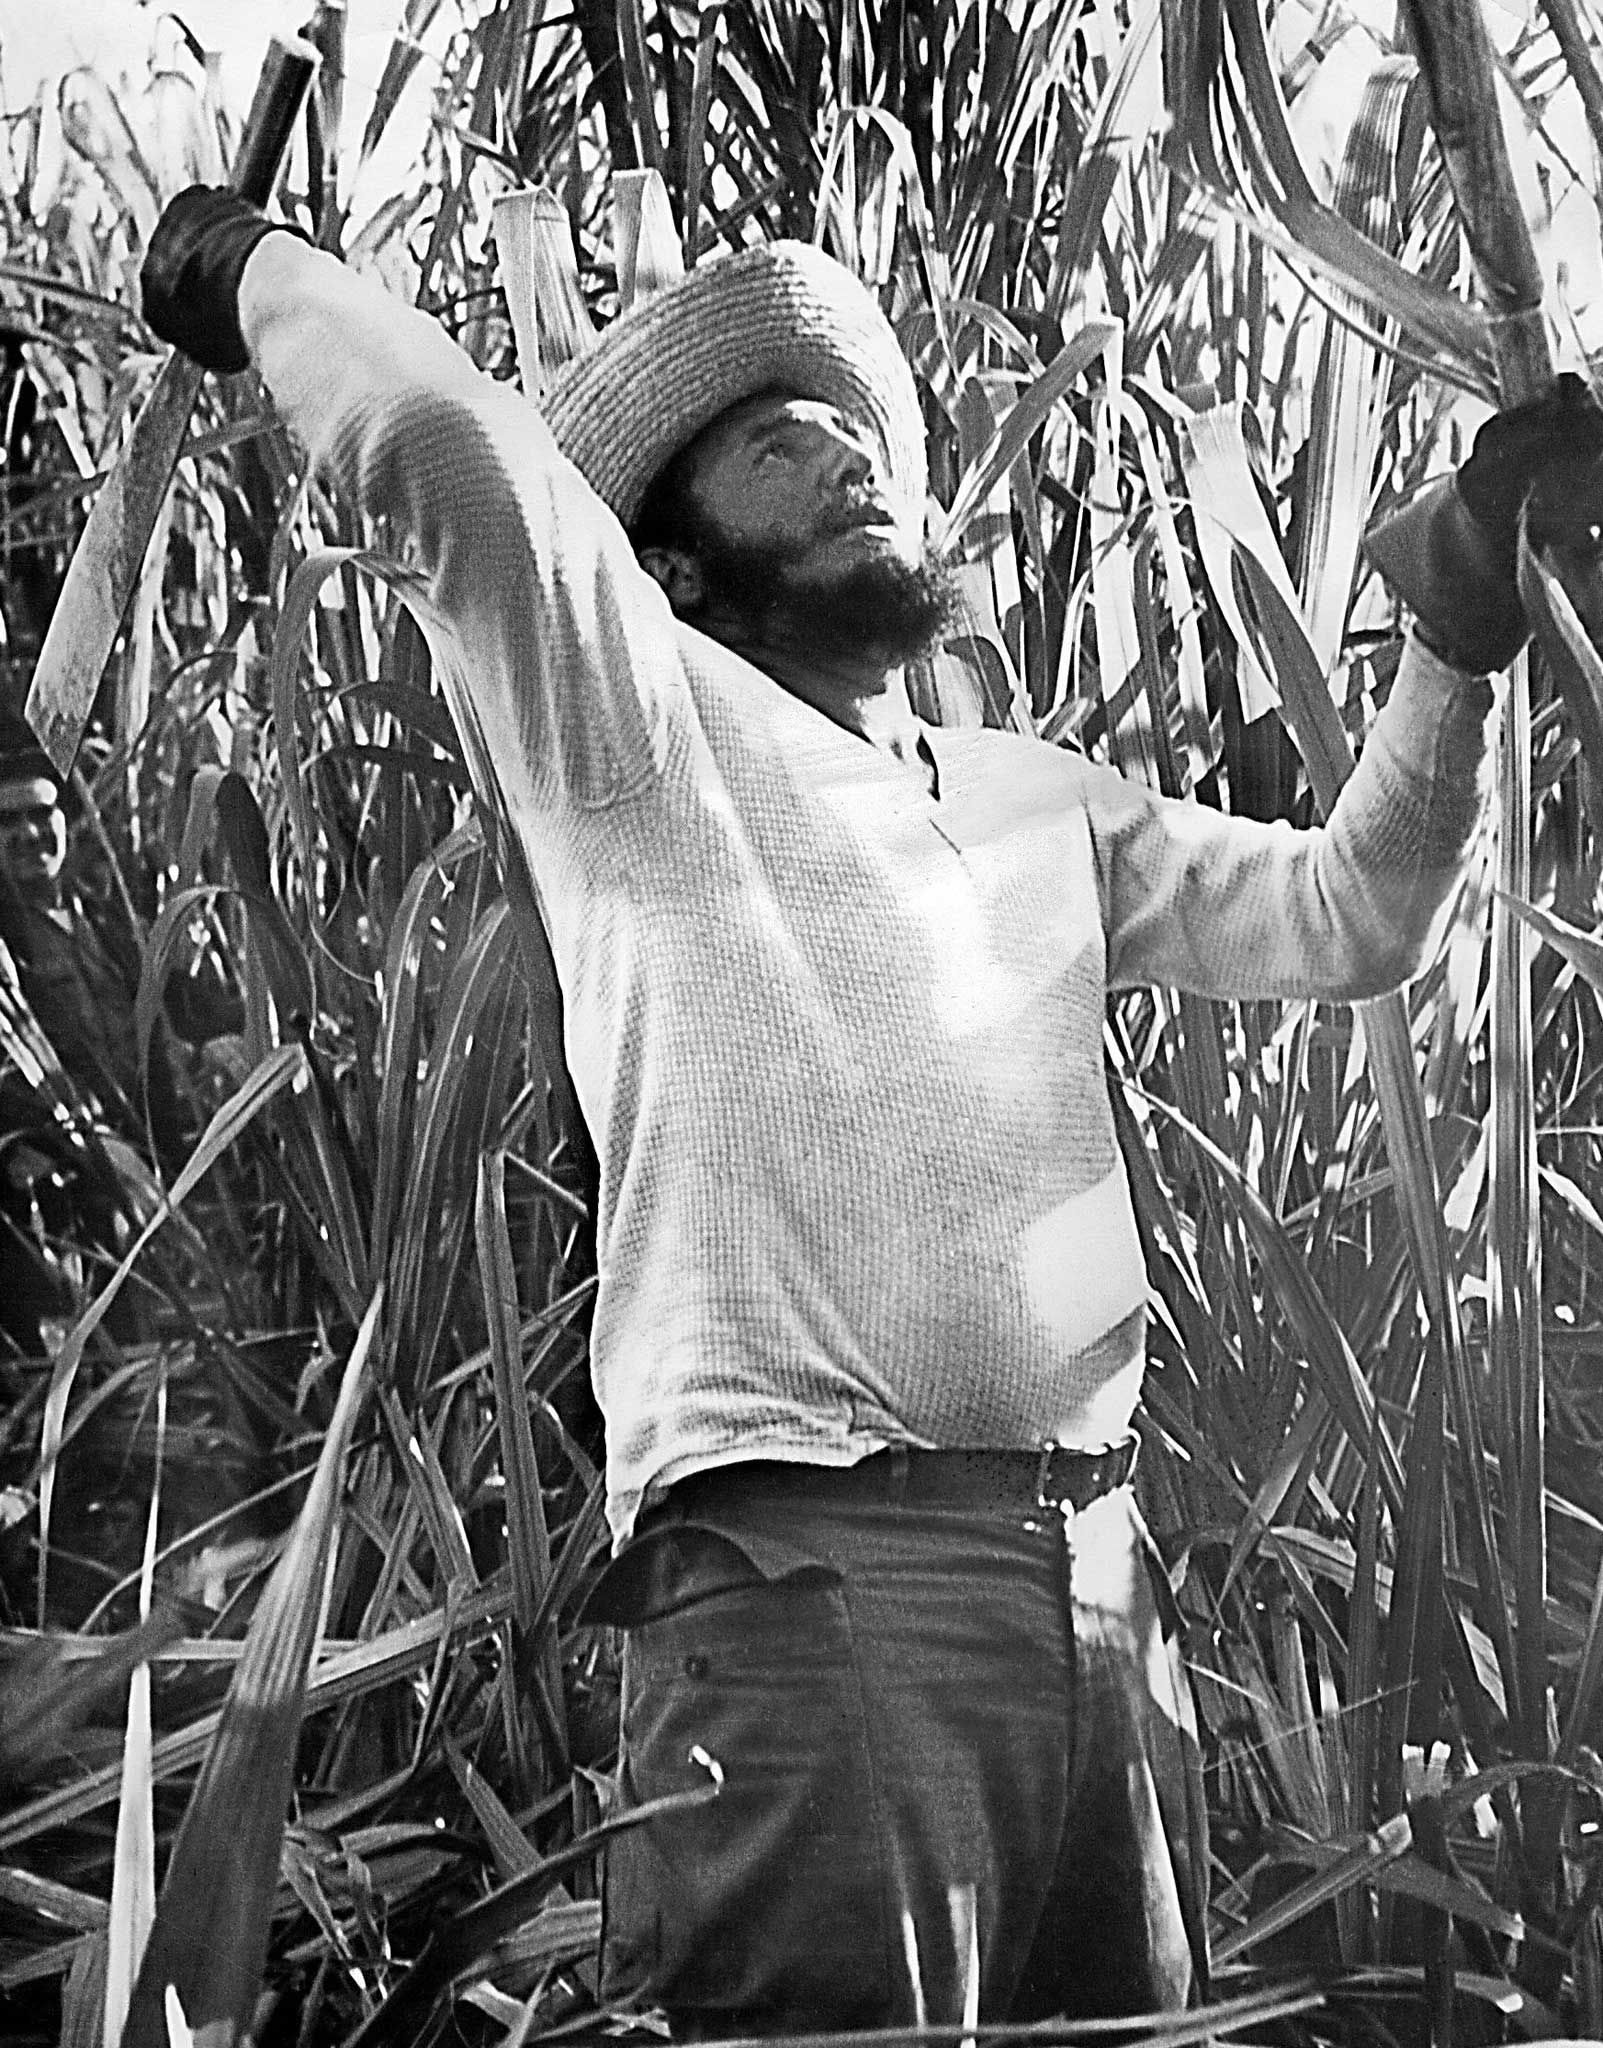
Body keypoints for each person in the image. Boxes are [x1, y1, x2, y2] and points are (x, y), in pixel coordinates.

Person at [136, 186, 1599, 2035]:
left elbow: (1353, 914)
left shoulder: (1020, 797)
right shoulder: (636, 721)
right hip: (821, 1597)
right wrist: (254, 267)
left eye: (845, 423)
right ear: (663, 565)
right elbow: (443, 446)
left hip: (1091, 1593)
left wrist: (1461, 613)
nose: (838, 448)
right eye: (769, 439)